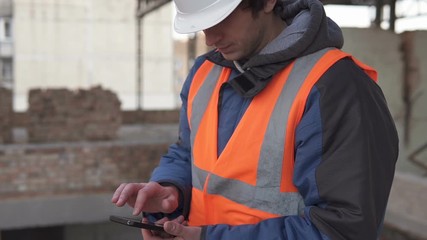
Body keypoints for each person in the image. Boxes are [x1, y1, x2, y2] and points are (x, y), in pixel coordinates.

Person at [112, 0, 399, 239]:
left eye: (221, 19)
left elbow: (341, 229)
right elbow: (188, 153)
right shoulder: (205, 72)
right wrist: (170, 190)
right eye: (202, 25)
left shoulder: (336, 88)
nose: (210, 38)